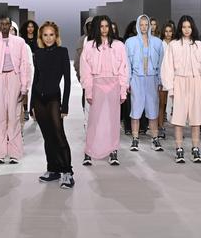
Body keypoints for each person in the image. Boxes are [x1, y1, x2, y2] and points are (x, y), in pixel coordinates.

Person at [0, 15, 31, 164]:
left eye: (7, 24)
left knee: (14, 116)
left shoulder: (19, 42)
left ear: (10, 25)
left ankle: (15, 152)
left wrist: (24, 87)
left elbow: (24, 65)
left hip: (14, 77)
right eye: (1, 23)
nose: (4, 26)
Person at [161, 15, 201, 163]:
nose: (186, 29)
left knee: (196, 118)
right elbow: (168, 67)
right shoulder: (174, 45)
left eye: (189, 26)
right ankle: (179, 149)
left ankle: (196, 148)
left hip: (196, 82)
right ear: (180, 28)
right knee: (179, 117)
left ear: (193, 27)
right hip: (179, 82)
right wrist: (170, 88)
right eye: (184, 27)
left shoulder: (200, 46)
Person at [80, 15, 129, 166]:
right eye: (101, 26)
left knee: (113, 120)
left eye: (107, 26)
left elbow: (124, 69)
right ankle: (89, 151)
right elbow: (85, 70)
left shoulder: (119, 45)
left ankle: (113, 151)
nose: (104, 29)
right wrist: (88, 90)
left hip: (114, 84)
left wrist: (123, 90)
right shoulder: (89, 46)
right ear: (97, 27)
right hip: (96, 84)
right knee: (94, 120)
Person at [32, 21, 74, 189]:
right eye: (45, 35)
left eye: (51, 35)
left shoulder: (62, 52)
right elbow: (36, 79)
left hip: (54, 99)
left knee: (58, 134)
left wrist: (65, 105)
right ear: (41, 37)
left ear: (56, 36)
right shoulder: (38, 53)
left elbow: (68, 81)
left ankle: (67, 172)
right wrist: (31, 106)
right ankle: (53, 169)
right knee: (47, 137)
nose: (48, 38)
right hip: (39, 100)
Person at [125, 14, 164, 152]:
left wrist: (160, 79)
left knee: (153, 108)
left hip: (152, 78)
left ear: (149, 26)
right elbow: (127, 64)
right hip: (136, 78)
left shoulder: (158, 42)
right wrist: (127, 81)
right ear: (137, 25)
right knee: (135, 108)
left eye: (146, 24)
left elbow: (161, 63)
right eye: (141, 24)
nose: (143, 27)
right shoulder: (130, 42)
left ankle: (155, 138)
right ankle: (135, 139)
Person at [158, 22, 175, 139]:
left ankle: (177, 129)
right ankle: (160, 127)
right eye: (166, 31)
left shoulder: (176, 44)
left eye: (170, 31)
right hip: (163, 77)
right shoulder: (160, 44)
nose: (168, 33)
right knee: (161, 104)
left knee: (176, 105)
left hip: (175, 77)